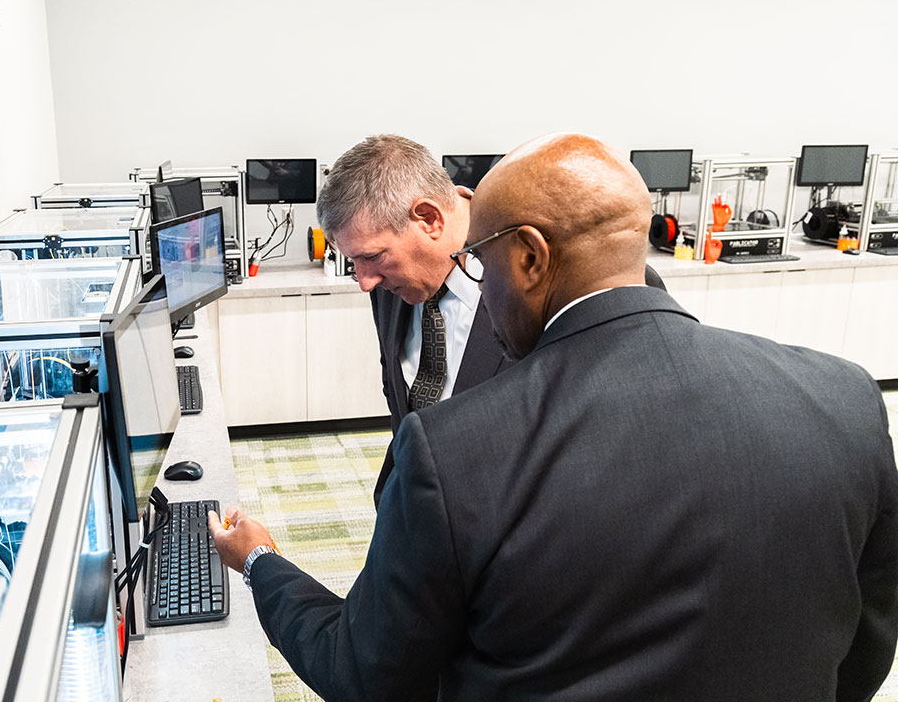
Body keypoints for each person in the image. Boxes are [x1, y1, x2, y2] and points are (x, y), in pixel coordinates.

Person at [210, 133, 898, 701]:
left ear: (531, 257)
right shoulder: (848, 399)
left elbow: (365, 672)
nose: (472, 274)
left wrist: (262, 561)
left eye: (483, 259)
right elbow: (864, 645)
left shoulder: (462, 457)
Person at [315, 134, 664, 506]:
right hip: (420, 514)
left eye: (372, 257)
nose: (365, 282)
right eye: (355, 262)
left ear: (429, 219)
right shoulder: (394, 281)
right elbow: (401, 396)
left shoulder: (557, 275)